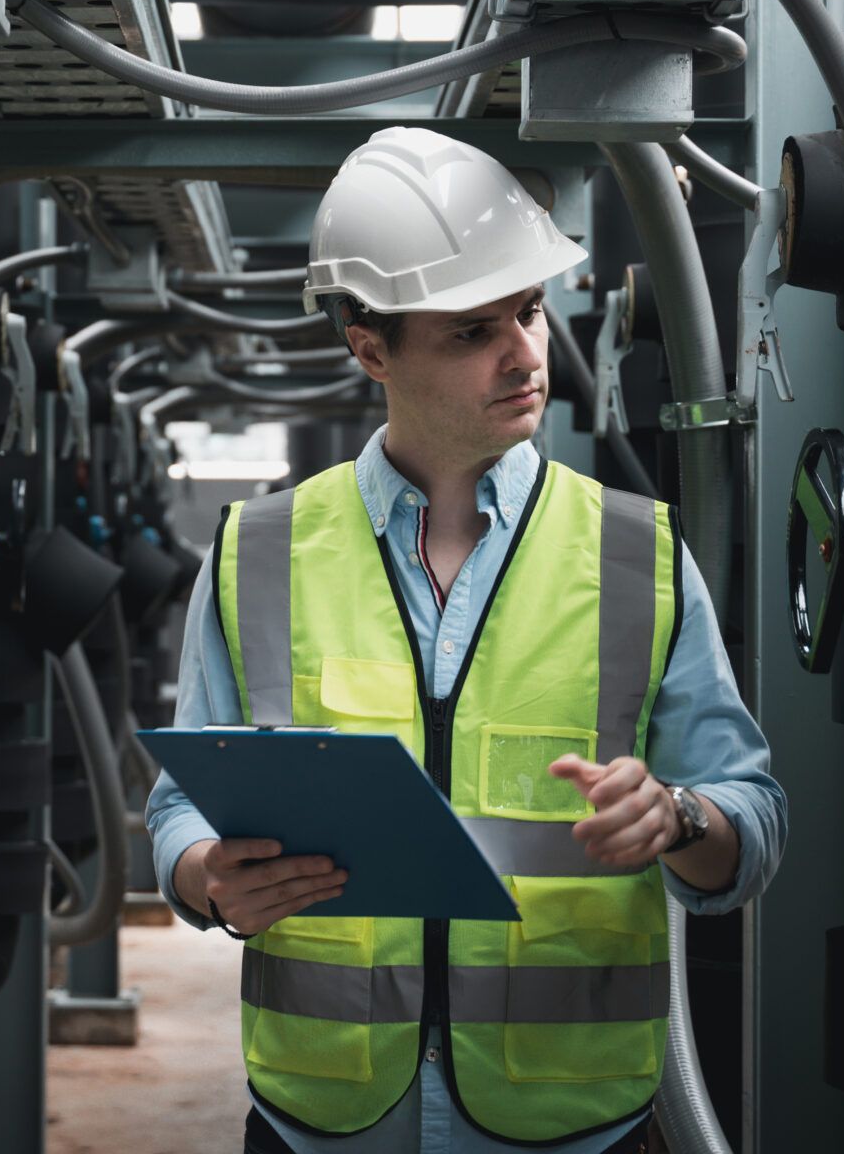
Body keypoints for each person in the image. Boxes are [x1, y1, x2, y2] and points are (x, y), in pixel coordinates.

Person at [145, 127, 788, 1154]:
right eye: (472, 330)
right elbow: (184, 802)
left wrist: (674, 815)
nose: (527, 352)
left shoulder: (638, 553)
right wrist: (204, 877)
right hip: (324, 1119)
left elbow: (751, 824)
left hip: (572, 1123)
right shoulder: (256, 551)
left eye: (529, 310)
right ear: (370, 349)